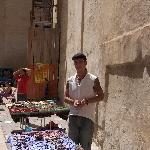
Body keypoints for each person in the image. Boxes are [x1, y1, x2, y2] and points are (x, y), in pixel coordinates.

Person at [64, 52, 104, 150]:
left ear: (85, 63)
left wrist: (86, 101)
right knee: (72, 146)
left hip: (87, 117)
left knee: (85, 145)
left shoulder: (93, 79)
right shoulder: (70, 80)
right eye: (76, 63)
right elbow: (65, 97)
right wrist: (73, 102)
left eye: (80, 62)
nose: (78, 65)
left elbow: (101, 96)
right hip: (73, 116)